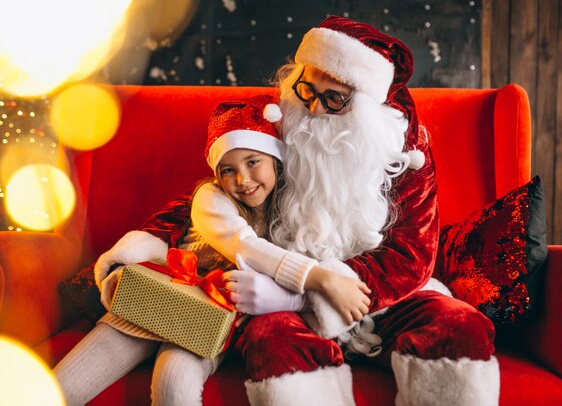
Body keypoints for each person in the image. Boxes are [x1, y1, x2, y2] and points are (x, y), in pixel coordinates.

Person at [94, 16, 500, 406]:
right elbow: (220, 190)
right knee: (270, 337)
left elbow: (413, 255)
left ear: (364, 103)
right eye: (307, 89)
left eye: (334, 99)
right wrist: (142, 245)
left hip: (379, 296)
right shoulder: (280, 120)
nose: (315, 109)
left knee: (457, 326)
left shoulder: (402, 151)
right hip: (278, 287)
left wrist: (303, 296)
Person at [55, 94, 373, 406]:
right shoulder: (210, 198)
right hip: (155, 299)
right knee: (63, 387)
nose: (242, 179)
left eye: (253, 162)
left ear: (276, 161)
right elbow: (244, 247)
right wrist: (320, 279)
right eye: (228, 170)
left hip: (207, 322)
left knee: (174, 387)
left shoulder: (292, 215)